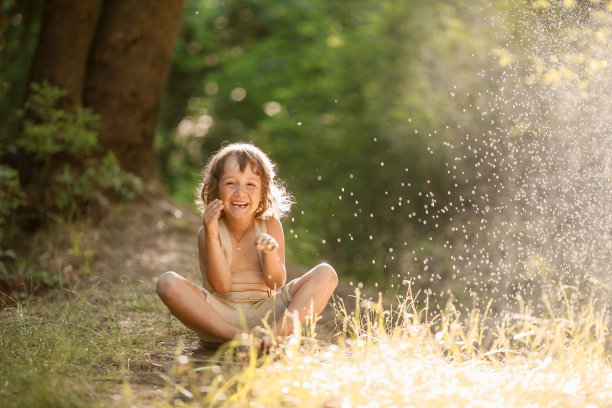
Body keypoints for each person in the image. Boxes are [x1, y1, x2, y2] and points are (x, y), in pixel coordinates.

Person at [156, 142, 338, 345]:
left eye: (250, 184)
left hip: (268, 314)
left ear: (263, 193)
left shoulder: (270, 225)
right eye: (231, 183)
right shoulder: (208, 231)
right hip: (221, 318)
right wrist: (211, 234)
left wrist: (270, 254)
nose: (240, 192)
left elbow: (276, 283)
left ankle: (273, 337)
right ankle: (239, 338)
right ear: (216, 189)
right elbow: (221, 287)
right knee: (167, 282)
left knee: (326, 273)